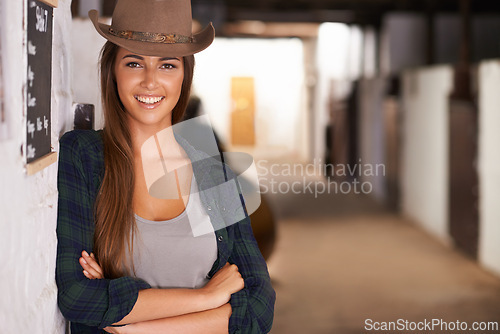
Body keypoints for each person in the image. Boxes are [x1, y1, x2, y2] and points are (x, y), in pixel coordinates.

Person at [55, 0, 275, 333]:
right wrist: (207, 298)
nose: (150, 81)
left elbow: (260, 306)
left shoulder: (209, 165)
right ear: (112, 70)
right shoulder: (84, 156)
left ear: (185, 74)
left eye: (167, 65)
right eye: (134, 62)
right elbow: (76, 296)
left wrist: (133, 324)